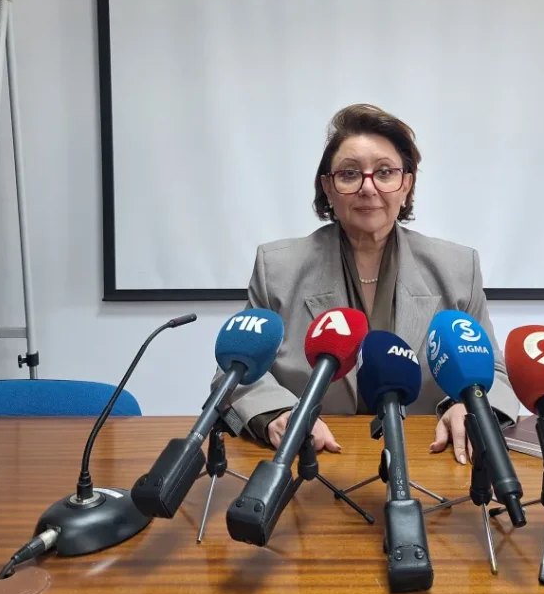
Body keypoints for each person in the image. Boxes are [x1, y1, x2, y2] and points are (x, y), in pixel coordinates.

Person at [219, 104, 518, 464]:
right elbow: (237, 368)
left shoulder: (457, 268)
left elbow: (494, 373)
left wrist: (469, 406)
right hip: (313, 455)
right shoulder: (278, 268)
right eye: (349, 174)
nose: (368, 188)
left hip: (426, 454)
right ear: (328, 187)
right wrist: (276, 413)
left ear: (406, 184)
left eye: (385, 172)